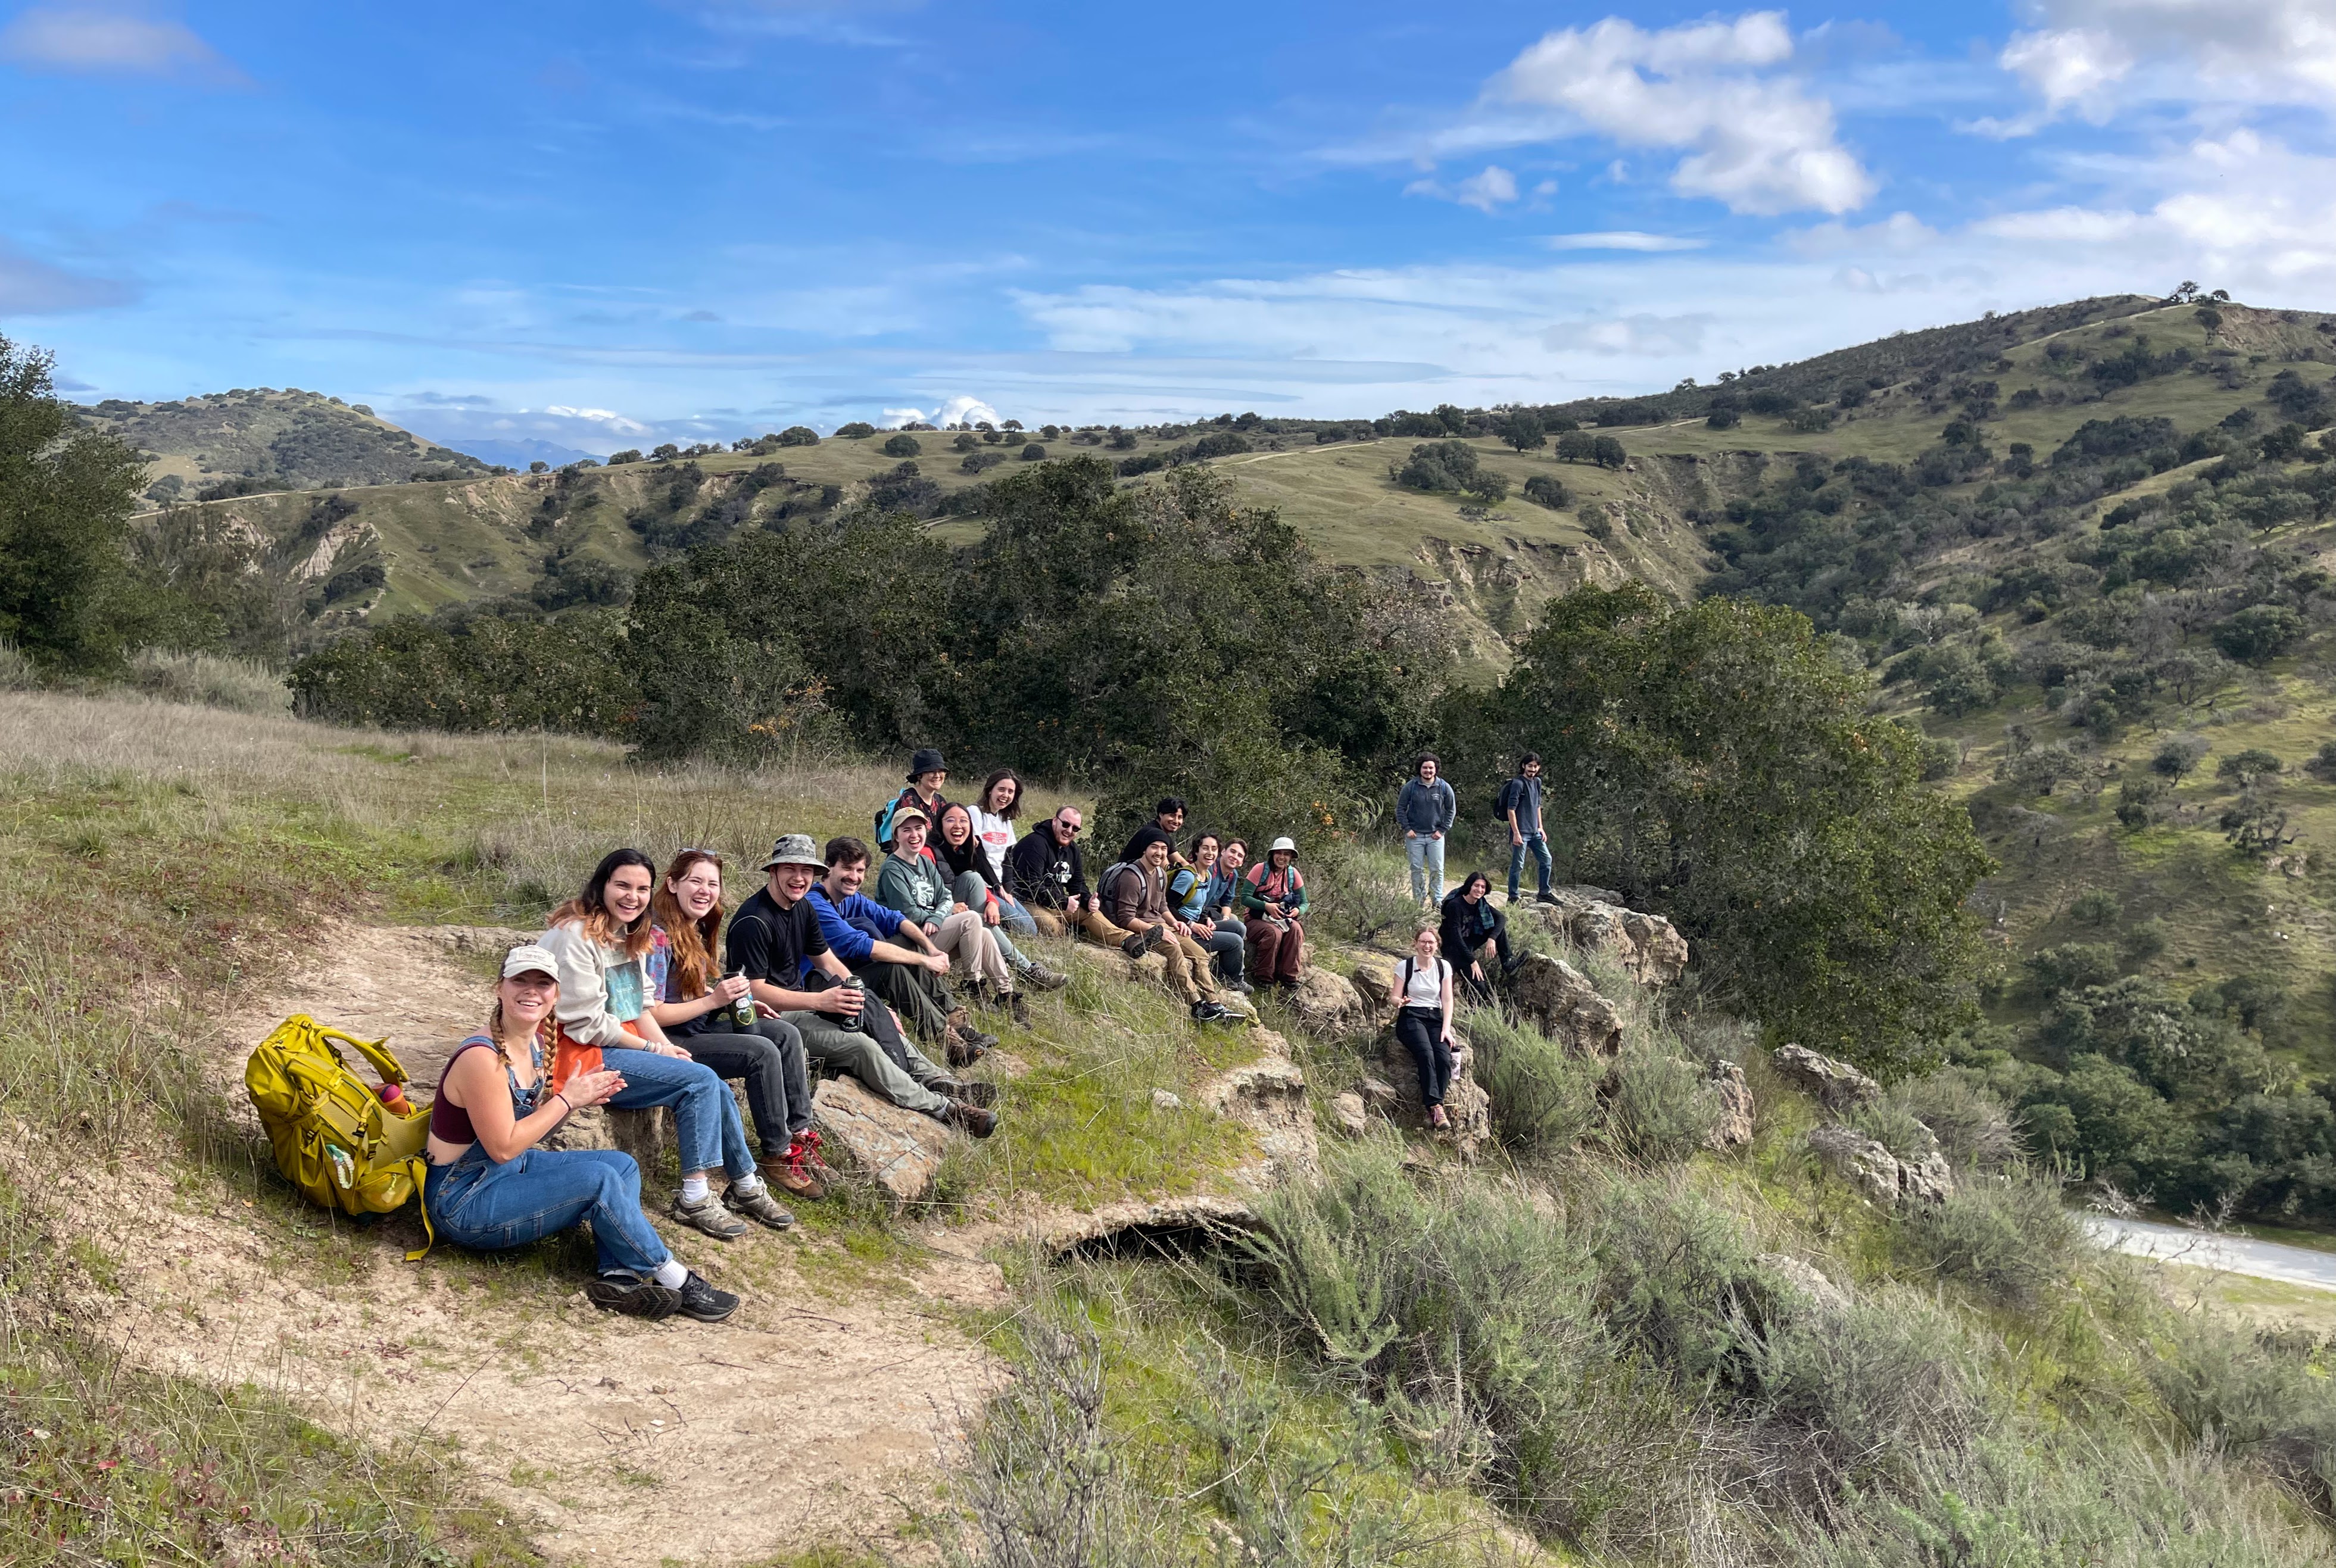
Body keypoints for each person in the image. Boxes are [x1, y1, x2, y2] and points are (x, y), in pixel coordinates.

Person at [424, 944, 738, 1322]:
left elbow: (525, 1135)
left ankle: (618, 1277)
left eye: (543, 984)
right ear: (499, 988)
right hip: (463, 1201)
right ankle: (674, 1278)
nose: (531, 991)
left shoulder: (534, 1043)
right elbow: (504, 1147)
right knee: (599, 1179)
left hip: (502, 1174)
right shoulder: (483, 1057)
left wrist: (577, 1101)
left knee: (620, 1165)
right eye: (519, 981)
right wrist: (566, 1101)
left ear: (556, 995)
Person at [541, 850, 795, 1239]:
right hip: (573, 1054)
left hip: (610, 1045)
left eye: (641, 888)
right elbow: (587, 1025)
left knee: (704, 1077)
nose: (633, 896)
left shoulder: (626, 934)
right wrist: (654, 1050)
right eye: (622, 886)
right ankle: (693, 1196)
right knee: (699, 1082)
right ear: (601, 885)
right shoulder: (577, 935)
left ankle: (745, 1184)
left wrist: (665, 1048)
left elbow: (637, 1008)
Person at [726, 834, 996, 1136]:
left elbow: (827, 961)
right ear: (773, 871)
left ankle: (945, 1082)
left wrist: (870, 1004)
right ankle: (945, 1109)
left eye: (806, 871)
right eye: (790, 869)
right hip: (773, 1018)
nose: (799, 878)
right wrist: (821, 1003)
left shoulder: (801, 908)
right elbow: (752, 991)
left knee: (881, 1024)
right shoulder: (755, 920)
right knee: (860, 1046)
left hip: (804, 1001)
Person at [645, 849, 825, 1200]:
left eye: (712, 883)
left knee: (785, 1034)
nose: (705, 890)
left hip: (695, 1025)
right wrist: (715, 1000)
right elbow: (650, 1013)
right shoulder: (658, 936)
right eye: (695, 881)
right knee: (759, 1052)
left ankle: (800, 1135)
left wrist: (729, 1004)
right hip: (668, 1040)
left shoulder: (693, 925)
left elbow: (687, 996)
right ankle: (777, 1154)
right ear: (672, 884)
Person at [809, 834, 993, 1065]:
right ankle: (950, 1043)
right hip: (818, 986)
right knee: (892, 969)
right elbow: (861, 946)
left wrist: (931, 950)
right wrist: (923, 961)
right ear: (829, 868)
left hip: (843, 972)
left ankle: (954, 1019)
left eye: (860, 870)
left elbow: (895, 919)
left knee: (910, 940)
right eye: (847, 869)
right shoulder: (816, 904)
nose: (854, 877)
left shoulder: (850, 899)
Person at [876, 807, 1024, 1024]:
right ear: (896, 835)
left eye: (919, 828)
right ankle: (972, 982)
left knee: (982, 932)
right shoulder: (893, 869)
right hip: (910, 942)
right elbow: (908, 914)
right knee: (972, 918)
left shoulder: (925, 862)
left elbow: (945, 897)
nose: (914, 835)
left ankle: (1005, 993)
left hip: (932, 931)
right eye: (906, 830)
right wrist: (936, 915)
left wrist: (936, 918)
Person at [934, 802, 1068, 995]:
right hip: (937, 920)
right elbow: (926, 898)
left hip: (964, 904)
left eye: (963, 821)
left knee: (974, 884)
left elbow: (982, 875)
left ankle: (1006, 987)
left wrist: (992, 901)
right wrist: (950, 908)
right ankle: (1027, 971)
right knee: (980, 920)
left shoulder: (965, 849)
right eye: (950, 820)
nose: (958, 825)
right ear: (939, 825)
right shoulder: (929, 853)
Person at [1107, 832, 1237, 1023]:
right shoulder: (1132, 877)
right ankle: (1196, 1004)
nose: (1159, 853)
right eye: (1154, 847)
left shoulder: (1160, 873)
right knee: (1175, 951)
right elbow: (1126, 918)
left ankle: (1213, 1003)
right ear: (1144, 849)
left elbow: (1162, 907)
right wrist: (1158, 931)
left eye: (1164, 849)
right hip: (1144, 928)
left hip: (1162, 925)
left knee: (1200, 954)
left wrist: (1175, 922)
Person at [1392, 927, 1459, 1130]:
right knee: (1426, 1054)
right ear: (1416, 943)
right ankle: (1435, 1107)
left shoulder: (1443, 967)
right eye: (1423, 942)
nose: (1427, 946)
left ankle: (1435, 1106)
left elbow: (1447, 999)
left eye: (1431, 943)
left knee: (1443, 1057)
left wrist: (1446, 1028)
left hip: (1434, 1017)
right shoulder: (1405, 966)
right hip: (1411, 1015)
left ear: (1437, 945)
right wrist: (1400, 1002)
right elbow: (1394, 996)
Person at [1169, 830, 1249, 993]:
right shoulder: (1188, 876)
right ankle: (1233, 981)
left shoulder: (1206, 875)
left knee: (1238, 927)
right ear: (1197, 851)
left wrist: (1205, 919)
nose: (1210, 853)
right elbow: (1167, 905)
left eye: (1214, 849)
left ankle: (1222, 971)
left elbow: (1200, 905)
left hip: (1196, 925)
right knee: (1235, 941)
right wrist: (1192, 924)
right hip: (1182, 930)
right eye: (1205, 848)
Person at [966, 769, 1039, 936]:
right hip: (984, 885)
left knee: (1031, 928)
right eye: (1001, 789)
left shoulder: (1005, 820)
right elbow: (978, 856)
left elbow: (1007, 861)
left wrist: (1009, 891)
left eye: (1010, 791)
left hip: (1000, 887)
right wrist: (997, 887)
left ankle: (995, 925)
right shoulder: (975, 813)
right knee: (1027, 929)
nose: (1005, 795)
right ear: (990, 789)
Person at [1242, 836, 1310, 992]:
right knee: (1273, 933)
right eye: (1278, 853)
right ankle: (1263, 977)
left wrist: (1298, 910)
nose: (1282, 857)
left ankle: (1289, 977)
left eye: (1286, 854)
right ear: (1272, 854)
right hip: (1256, 919)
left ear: (1291, 857)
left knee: (1296, 930)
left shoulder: (1293, 874)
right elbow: (1245, 898)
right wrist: (1266, 906)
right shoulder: (1260, 870)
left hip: (1282, 919)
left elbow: (1305, 903)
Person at [1439, 872, 1518, 1004]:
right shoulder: (1455, 905)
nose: (1480, 890)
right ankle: (1469, 1007)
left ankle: (1508, 961)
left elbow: (1501, 918)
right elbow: (1456, 937)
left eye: (1483, 887)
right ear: (1469, 885)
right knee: (1479, 986)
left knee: (1497, 929)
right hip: (1453, 948)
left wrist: (1492, 938)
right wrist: (1472, 961)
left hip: (1469, 942)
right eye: (1476, 885)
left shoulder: (1480, 903)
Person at [1396, 754, 1457, 910]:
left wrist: (1442, 830)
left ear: (1436, 769)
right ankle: (1419, 899)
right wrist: (1407, 828)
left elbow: (1451, 810)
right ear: (1420, 769)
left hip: (1435, 836)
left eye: (1431, 768)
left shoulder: (1444, 787)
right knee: (1417, 869)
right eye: (1425, 767)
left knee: (1437, 869)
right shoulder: (1411, 786)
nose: (1428, 771)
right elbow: (1400, 809)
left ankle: (1436, 900)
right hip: (1414, 835)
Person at [1501, 754, 1555, 906]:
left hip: (1535, 832)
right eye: (1530, 766)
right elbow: (1511, 810)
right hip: (1521, 833)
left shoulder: (1537, 782)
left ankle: (1544, 893)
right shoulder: (1518, 784)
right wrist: (1516, 833)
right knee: (1518, 865)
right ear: (1524, 766)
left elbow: (1538, 806)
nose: (1533, 769)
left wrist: (1541, 828)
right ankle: (1513, 896)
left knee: (1546, 860)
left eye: (1536, 766)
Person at [876, 748, 950, 852]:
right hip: (911, 857)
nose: (937, 776)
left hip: (934, 855)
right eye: (932, 771)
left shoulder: (940, 800)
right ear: (920, 775)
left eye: (941, 771)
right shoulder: (909, 800)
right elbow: (913, 837)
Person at [1117, 796, 1191, 869]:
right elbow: (1167, 870)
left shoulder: (1162, 835)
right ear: (1161, 814)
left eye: (1180, 818)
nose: (1176, 821)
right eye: (1172, 815)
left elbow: (1181, 862)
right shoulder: (1154, 834)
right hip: (1129, 876)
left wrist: (1198, 877)